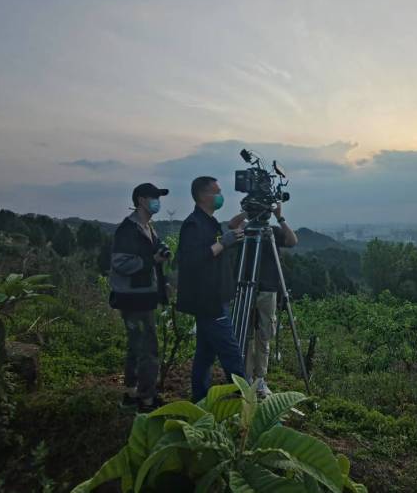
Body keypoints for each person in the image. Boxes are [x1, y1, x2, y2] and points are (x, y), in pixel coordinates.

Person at [176, 176, 247, 402]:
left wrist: (229, 240)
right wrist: (222, 243)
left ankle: (200, 400)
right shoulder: (193, 224)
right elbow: (190, 260)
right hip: (209, 301)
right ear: (203, 195)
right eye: (216, 191)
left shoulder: (210, 222)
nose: (220, 195)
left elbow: (215, 253)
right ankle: (245, 401)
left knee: (205, 355)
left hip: (215, 297)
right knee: (231, 354)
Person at [109, 183, 170, 412]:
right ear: (141, 200)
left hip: (144, 295)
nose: (157, 201)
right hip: (134, 298)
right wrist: (152, 260)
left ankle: (131, 393)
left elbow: (150, 255)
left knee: (137, 346)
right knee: (148, 348)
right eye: (154, 197)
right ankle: (146, 399)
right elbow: (120, 263)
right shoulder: (128, 229)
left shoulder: (147, 227)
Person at [233, 202, 298, 397]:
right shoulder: (246, 228)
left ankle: (260, 378)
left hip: (268, 289)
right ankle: (245, 378)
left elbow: (293, 241)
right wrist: (250, 211)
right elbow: (231, 225)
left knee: (264, 334)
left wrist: (280, 217)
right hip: (245, 285)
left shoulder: (274, 232)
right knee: (246, 334)